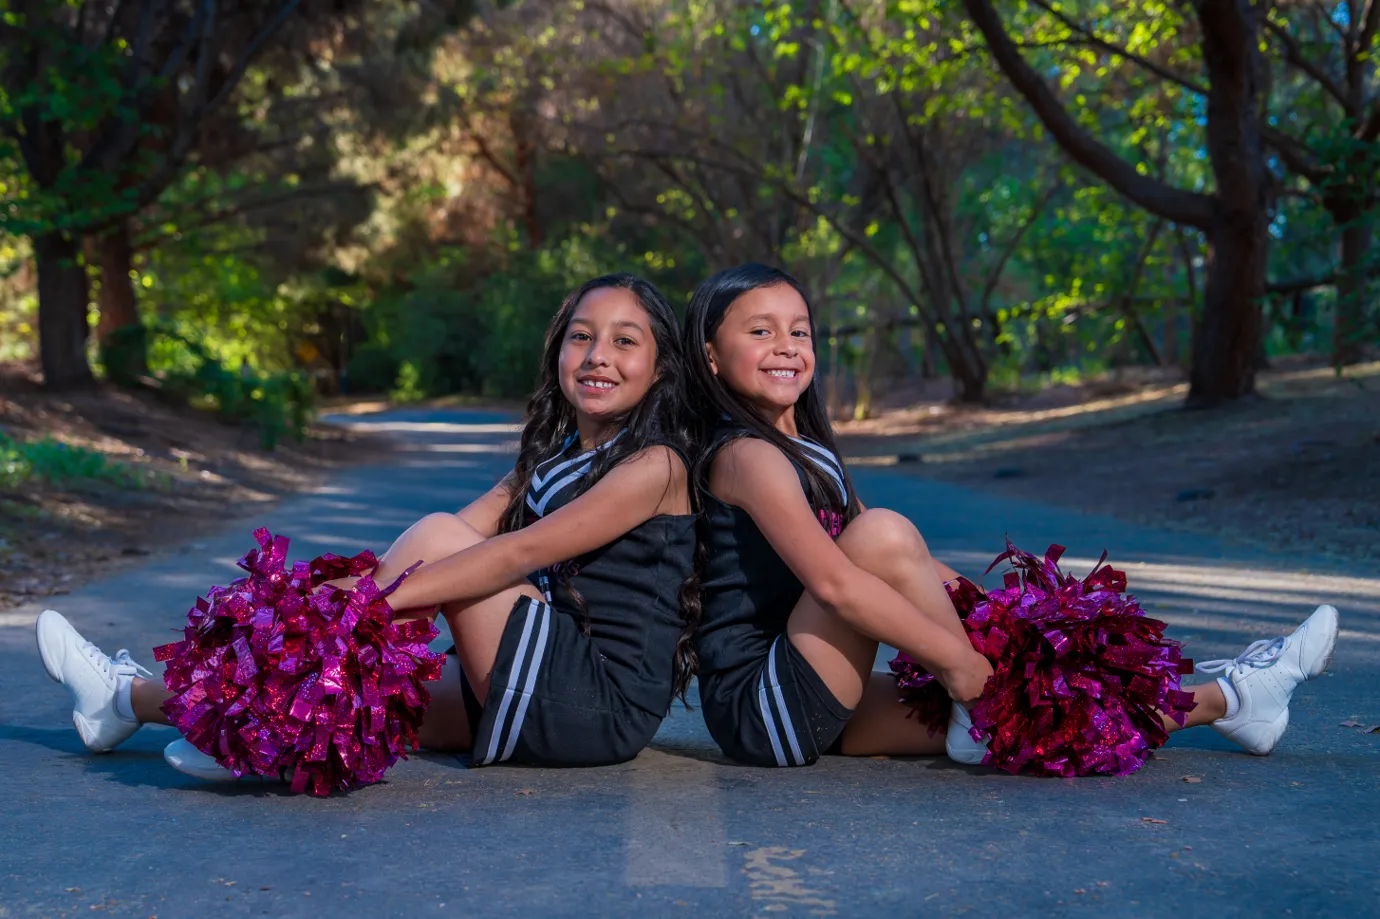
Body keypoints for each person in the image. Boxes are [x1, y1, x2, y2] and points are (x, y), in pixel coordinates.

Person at [37, 273, 699, 780]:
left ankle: (258, 726)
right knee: (375, 704)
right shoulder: (553, 457)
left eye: (624, 341)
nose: (597, 355)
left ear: (662, 366)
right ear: (558, 350)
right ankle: (123, 700)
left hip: (596, 701)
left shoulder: (656, 464)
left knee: (436, 543)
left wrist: (371, 602)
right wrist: (344, 590)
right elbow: (457, 534)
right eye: (581, 336)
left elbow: (511, 552)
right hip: (548, 681)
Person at [682, 262, 1339, 769]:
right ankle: (981, 693)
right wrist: (964, 665)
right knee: (882, 533)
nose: (786, 345)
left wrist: (1012, 628)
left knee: (1036, 714)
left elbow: (913, 570)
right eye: (759, 330)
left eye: (799, 330)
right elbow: (840, 583)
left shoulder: (807, 448)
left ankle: (1236, 700)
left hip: (810, 688)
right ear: (711, 357)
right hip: (763, 701)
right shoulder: (744, 454)